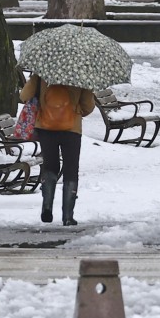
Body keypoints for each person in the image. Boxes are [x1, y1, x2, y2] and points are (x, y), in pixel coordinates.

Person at [19, 74, 95, 226]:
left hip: (46, 128)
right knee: (71, 169)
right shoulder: (81, 74)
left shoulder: (41, 74)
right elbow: (88, 106)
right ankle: (68, 216)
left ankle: (47, 205)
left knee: (50, 166)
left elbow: (24, 96)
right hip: (72, 129)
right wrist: (75, 110)